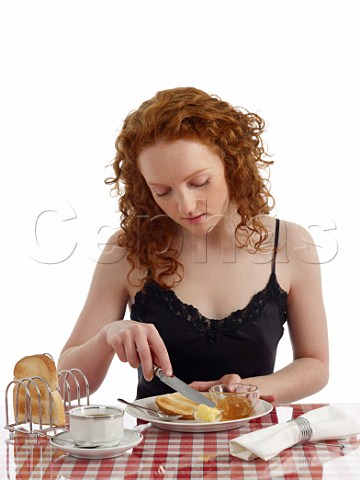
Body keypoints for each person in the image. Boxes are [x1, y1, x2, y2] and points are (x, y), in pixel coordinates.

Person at [58, 87, 329, 404]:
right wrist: (107, 337)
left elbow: (315, 365)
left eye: (199, 182)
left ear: (232, 165)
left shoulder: (290, 244)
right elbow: (65, 385)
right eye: (162, 191)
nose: (185, 206)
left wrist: (248, 390)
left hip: (257, 446)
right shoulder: (127, 250)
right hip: (154, 449)